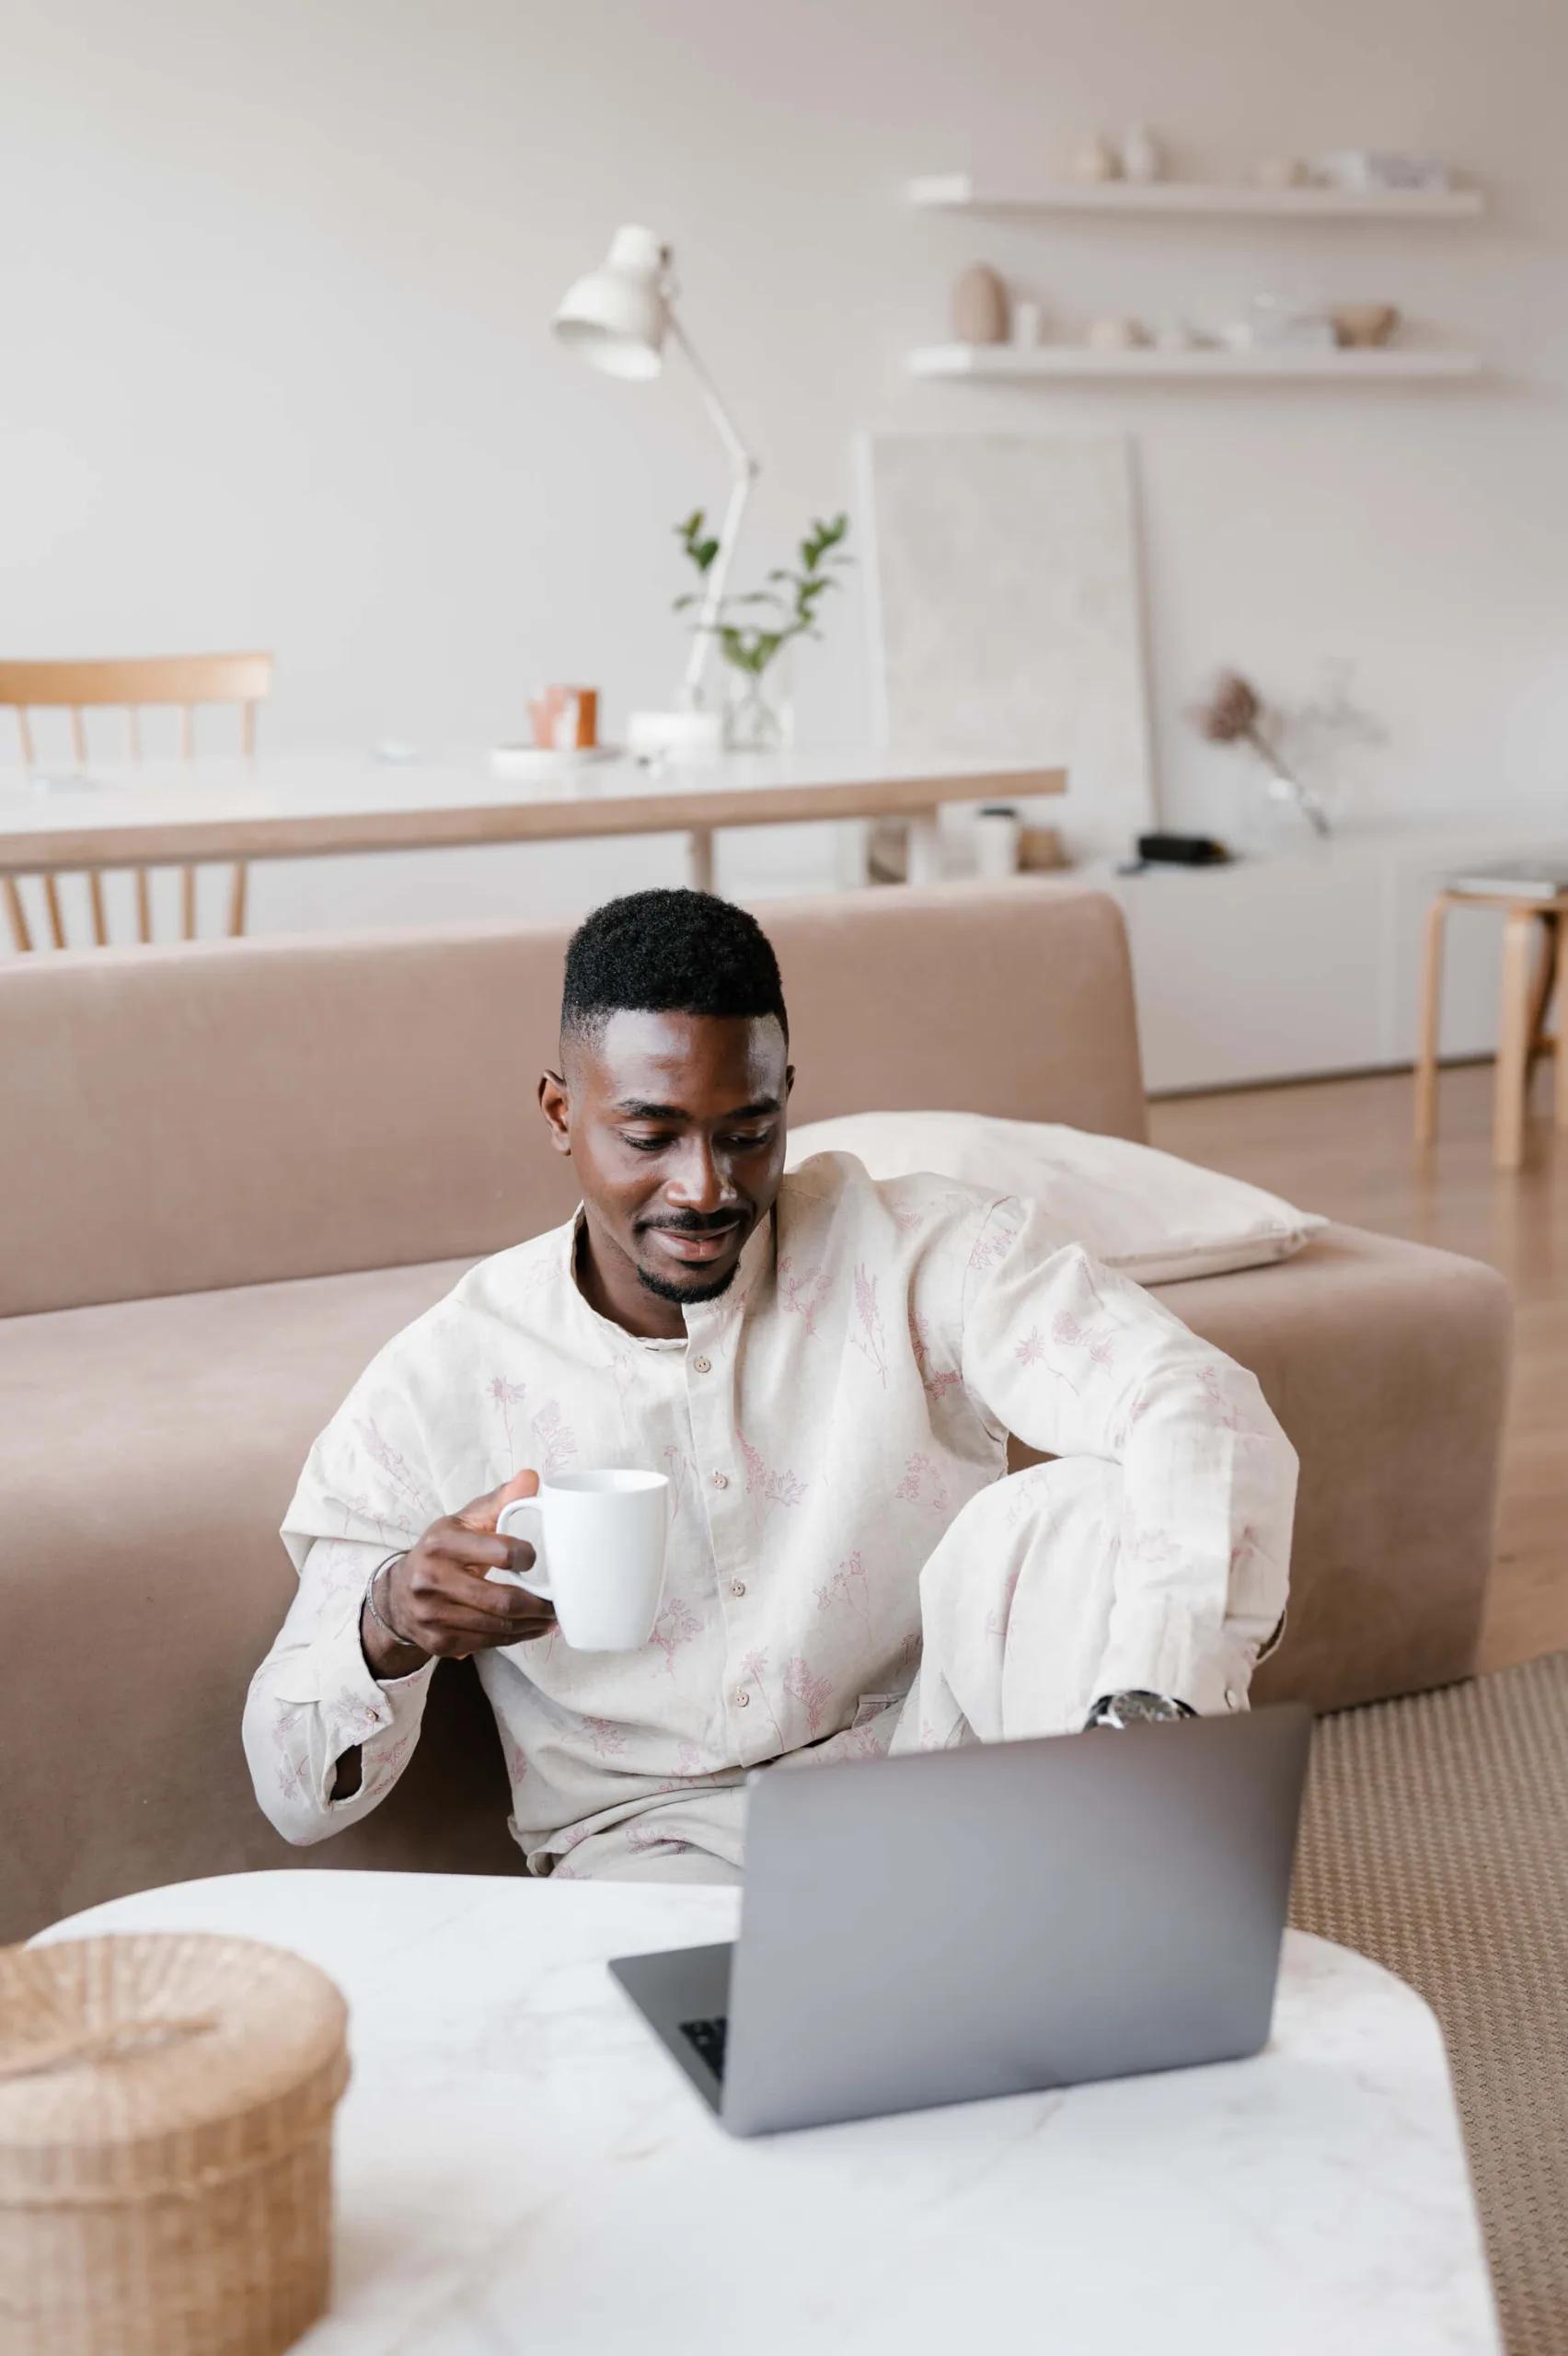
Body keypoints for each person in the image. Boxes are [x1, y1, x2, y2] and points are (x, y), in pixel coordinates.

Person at [246, 889, 1296, 1883]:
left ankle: (1116, 1876)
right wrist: (389, 1622)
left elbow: (1193, 1403)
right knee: (712, 2050)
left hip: (940, 1767)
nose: (704, 1187)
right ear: (562, 1113)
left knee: (1086, 1503)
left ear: (787, 1099)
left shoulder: (929, 1249)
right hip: (654, 1849)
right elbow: (292, 1787)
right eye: (650, 1137)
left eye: (744, 1133)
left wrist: (1152, 1704)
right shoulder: (445, 1376)